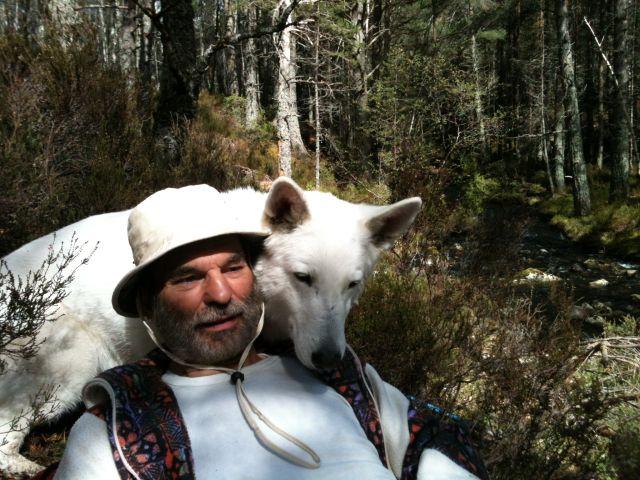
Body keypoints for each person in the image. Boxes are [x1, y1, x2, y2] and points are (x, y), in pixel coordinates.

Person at [45, 185, 487, 480]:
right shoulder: (121, 420)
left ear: (254, 271)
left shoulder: (348, 381)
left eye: (234, 268)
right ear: (147, 305)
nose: (220, 293)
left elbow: (433, 435)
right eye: (186, 278)